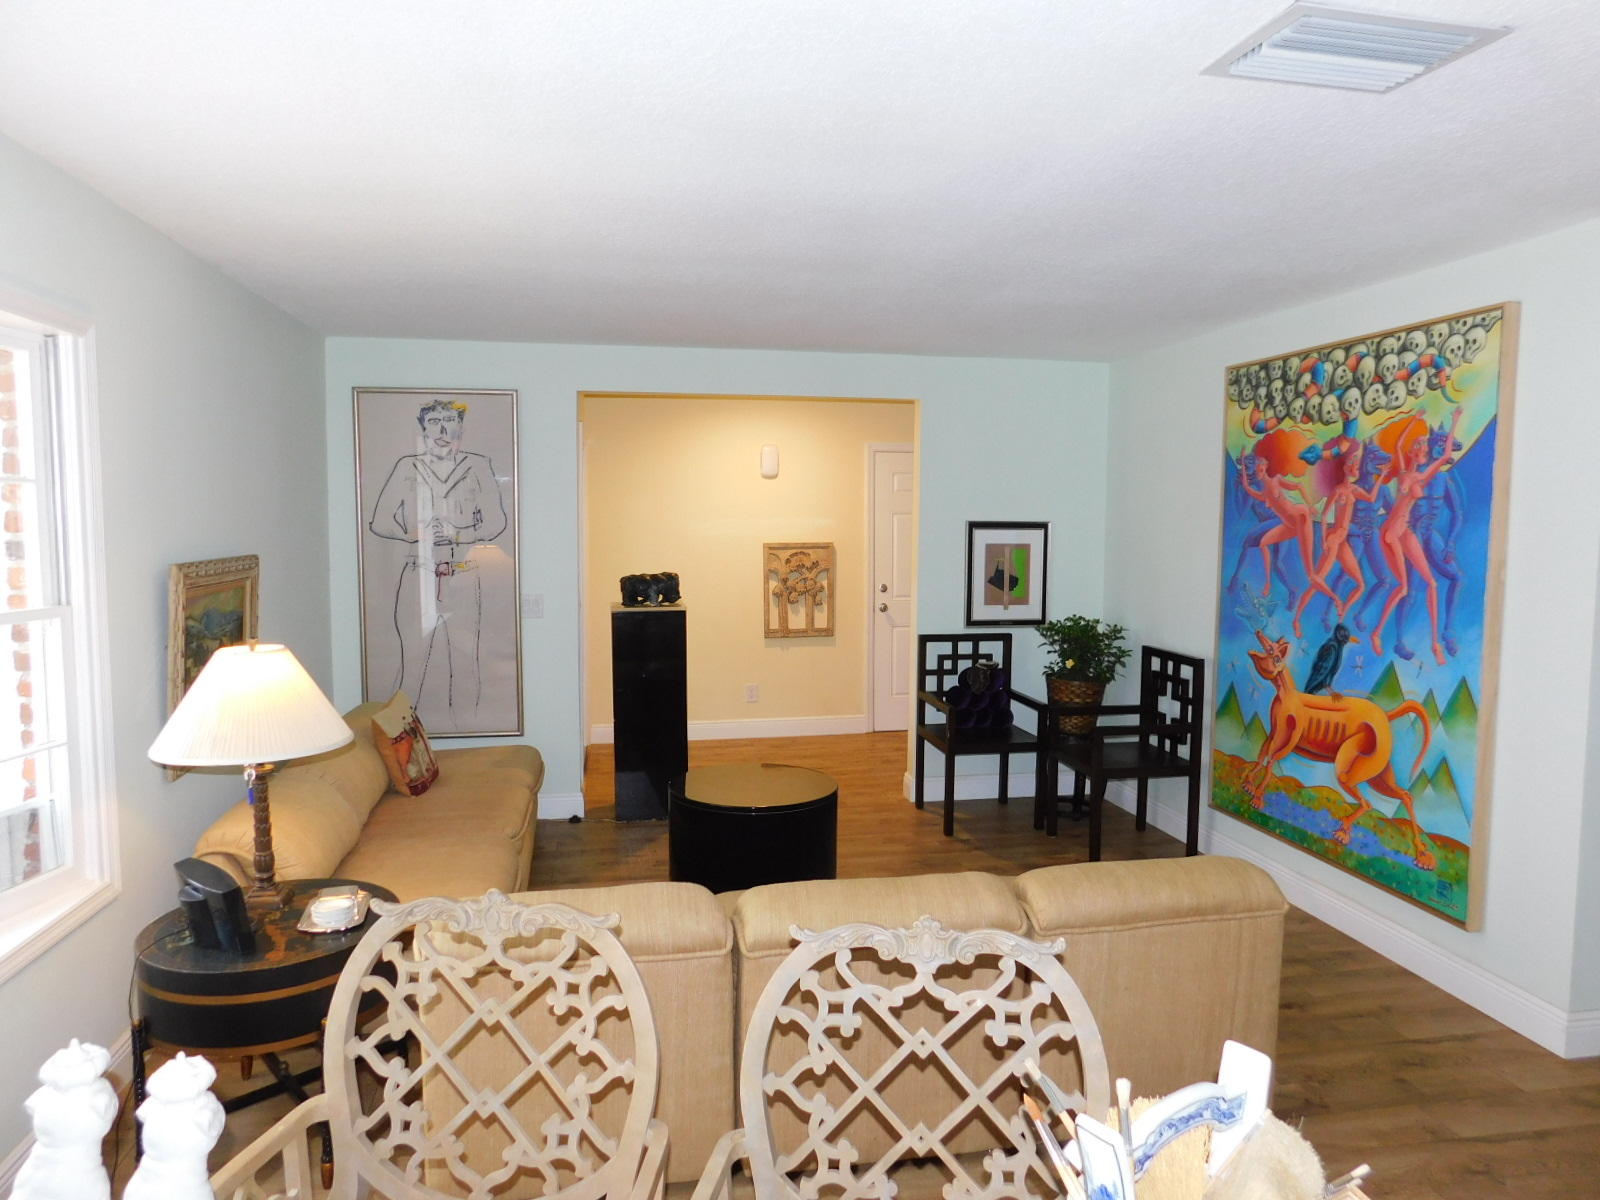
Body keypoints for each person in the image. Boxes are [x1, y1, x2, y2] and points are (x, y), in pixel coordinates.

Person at [368, 398, 508, 721]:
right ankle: (401, 738)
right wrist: (415, 533)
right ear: (423, 429)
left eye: (450, 422)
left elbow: (496, 522)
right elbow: (380, 521)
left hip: (463, 577)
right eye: (434, 423)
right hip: (418, 576)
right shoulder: (407, 466)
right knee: (411, 665)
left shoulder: (478, 465)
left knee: (466, 666)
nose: (443, 431)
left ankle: (470, 730)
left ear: (460, 428)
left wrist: (458, 532)